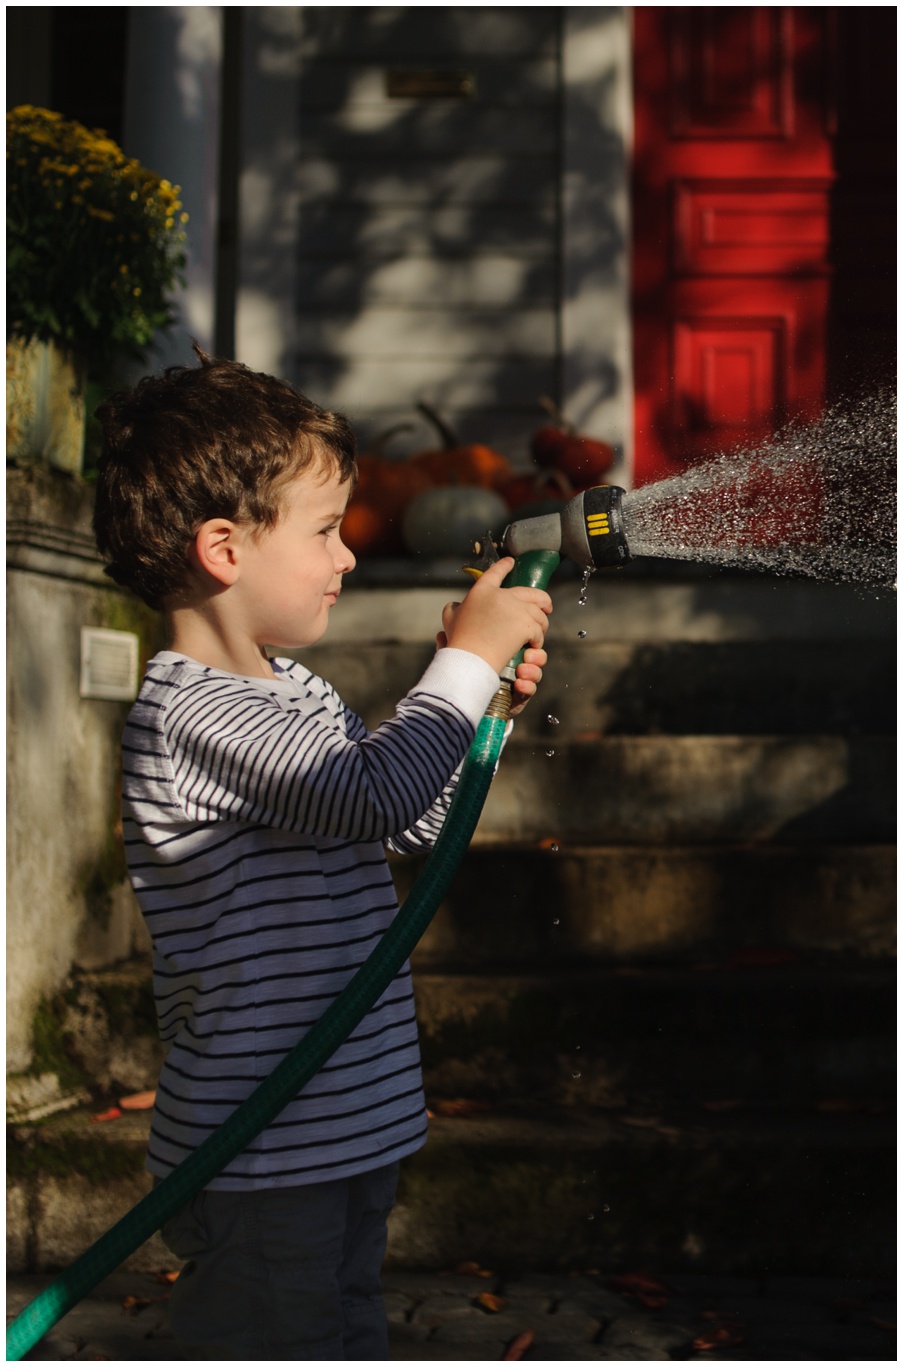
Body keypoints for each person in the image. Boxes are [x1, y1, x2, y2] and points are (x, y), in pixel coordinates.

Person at [92, 356, 552, 1358]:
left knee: (340, 1333)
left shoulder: (292, 692)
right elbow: (370, 792)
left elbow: (403, 824)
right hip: (263, 1148)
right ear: (223, 548)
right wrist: (461, 663)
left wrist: (485, 709)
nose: (347, 557)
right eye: (322, 531)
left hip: (346, 1120)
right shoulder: (191, 712)